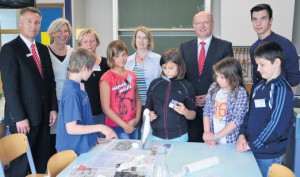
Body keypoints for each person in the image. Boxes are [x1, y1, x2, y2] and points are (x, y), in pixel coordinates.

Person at [0, 7, 58, 176]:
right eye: (29, 21)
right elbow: (10, 87)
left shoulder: (42, 49)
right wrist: (19, 117)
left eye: (37, 22)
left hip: (43, 116)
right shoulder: (10, 49)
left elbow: (50, 82)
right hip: (23, 120)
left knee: (41, 161)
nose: (33, 26)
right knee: (22, 165)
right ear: (20, 23)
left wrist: (53, 107)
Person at [236, 41, 294, 177]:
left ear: (276, 63)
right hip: (252, 148)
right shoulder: (259, 86)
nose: (258, 69)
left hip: (267, 155)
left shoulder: (281, 89)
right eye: (257, 64)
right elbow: (249, 113)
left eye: (262, 64)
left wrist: (253, 144)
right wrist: (242, 135)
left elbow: (276, 125)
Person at [179, 11, 233, 142]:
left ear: (212, 24)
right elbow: (181, 77)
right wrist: (191, 98)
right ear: (193, 26)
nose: (202, 26)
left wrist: (210, 97)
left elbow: (230, 77)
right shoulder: (184, 47)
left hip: (217, 110)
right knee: (193, 148)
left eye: (205, 22)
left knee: (214, 147)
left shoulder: (225, 46)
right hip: (191, 109)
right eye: (198, 23)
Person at [56, 48, 117, 155]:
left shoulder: (78, 87)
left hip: (83, 145)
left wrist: (94, 138)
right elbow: (71, 128)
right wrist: (101, 127)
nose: (92, 71)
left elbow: (84, 119)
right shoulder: (71, 93)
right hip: (72, 150)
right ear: (84, 68)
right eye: (91, 68)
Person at [146, 48, 196, 142]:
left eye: (171, 68)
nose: (167, 71)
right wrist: (149, 114)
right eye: (164, 67)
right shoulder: (154, 84)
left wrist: (185, 111)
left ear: (179, 66)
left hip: (179, 137)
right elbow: (147, 108)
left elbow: (193, 115)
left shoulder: (186, 87)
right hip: (156, 137)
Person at [249, 4, 300, 92]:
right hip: (260, 96)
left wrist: (285, 100)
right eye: (255, 19)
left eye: (263, 18)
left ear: (270, 20)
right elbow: (256, 77)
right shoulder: (253, 48)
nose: (258, 23)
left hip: (279, 96)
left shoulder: (285, 45)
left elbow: (294, 79)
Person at [100, 40, 142, 139]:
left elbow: (138, 100)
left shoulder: (132, 75)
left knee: (135, 153)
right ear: (111, 58)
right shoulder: (106, 78)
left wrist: (137, 119)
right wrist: (125, 126)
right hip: (117, 126)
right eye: (117, 56)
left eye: (124, 55)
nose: (122, 59)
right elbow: (105, 108)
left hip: (133, 124)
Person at [125, 26, 161, 138]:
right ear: (135, 40)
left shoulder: (158, 59)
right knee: (136, 136)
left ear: (149, 41)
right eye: (139, 37)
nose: (141, 41)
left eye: (144, 38)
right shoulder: (127, 61)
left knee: (151, 136)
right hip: (133, 106)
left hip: (153, 105)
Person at [203, 58, 248, 146]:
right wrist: (207, 133)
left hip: (231, 140)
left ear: (233, 77)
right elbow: (207, 110)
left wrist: (216, 136)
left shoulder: (240, 93)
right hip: (213, 138)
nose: (218, 80)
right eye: (217, 76)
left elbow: (236, 120)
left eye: (222, 77)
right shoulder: (213, 87)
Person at [47, 18, 73, 156]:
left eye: (65, 31)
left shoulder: (72, 52)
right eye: (59, 31)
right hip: (53, 103)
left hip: (69, 101)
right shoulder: (45, 52)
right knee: (53, 137)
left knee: (69, 134)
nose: (63, 34)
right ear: (52, 33)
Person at [77, 28, 110, 138]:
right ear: (80, 44)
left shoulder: (107, 63)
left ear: (97, 42)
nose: (89, 44)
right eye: (85, 41)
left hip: (103, 113)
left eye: (92, 41)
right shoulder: (76, 64)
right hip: (84, 114)